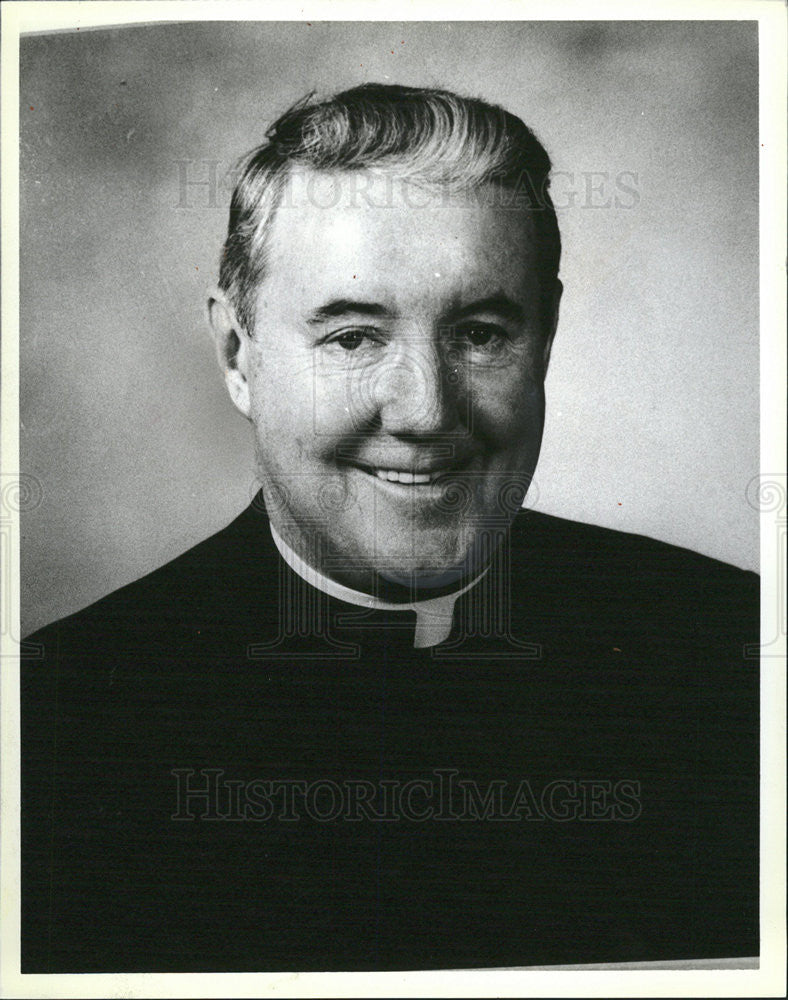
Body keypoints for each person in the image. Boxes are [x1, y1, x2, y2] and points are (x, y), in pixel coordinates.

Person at [21, 83, 758, 973]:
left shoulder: (734, 653)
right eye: (352, 338)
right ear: (237, 356)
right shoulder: (54, 721)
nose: (424, 411)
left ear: (548, 336)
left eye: (482, 333)